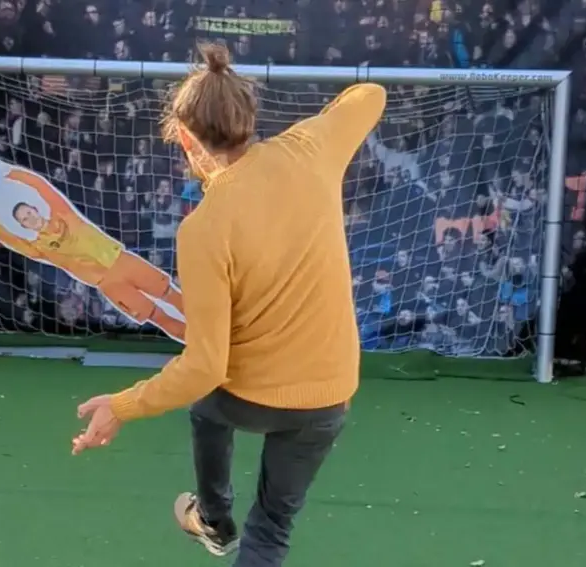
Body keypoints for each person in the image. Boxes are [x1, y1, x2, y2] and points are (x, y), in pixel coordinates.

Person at [71, 41, 388, 567]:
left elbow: (203, 368)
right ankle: (217, 522)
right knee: (272, 531)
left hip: (253, 397)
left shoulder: (203, 230)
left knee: (206, 402)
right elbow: (371, 94)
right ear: (247, 115)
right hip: (328, 399)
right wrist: (316, 126)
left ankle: (214, 520)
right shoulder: (310, 147)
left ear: (189, 141)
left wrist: (122, 405)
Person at [0, 163, 186, 341]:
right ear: (23, 226)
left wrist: (11, 173)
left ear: (35, 209)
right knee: (157, 317)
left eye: (29, 213)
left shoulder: (62, 214)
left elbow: (41, 187)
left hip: (122, 260)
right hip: (107, 283)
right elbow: (7, 238)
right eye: (24, 220)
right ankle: (194, 343)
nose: (29, 219)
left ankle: (216, 327)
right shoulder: (38, 248)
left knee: (170, 294)